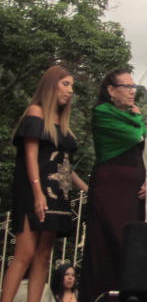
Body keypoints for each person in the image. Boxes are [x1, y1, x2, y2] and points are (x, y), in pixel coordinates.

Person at [0, 66, 87, 302]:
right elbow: (30, 156)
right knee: (24, 254)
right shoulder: (36, 112)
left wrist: (88, 189)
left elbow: (66, 166)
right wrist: (38, 193)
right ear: (51, 85)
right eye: (65, 84)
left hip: (58, 194)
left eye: (72, 86)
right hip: (32, 191)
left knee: (43, 256)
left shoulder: (64, 124)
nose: (70, 91)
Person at [78, 69, 147, 302]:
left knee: (131, 242)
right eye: (126, 87)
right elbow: (135, 136)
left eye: (133, 86)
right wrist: (138, 119)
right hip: (111, 189)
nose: (131, 92)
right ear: (110, 90)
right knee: (108, 242)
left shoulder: (128, 114)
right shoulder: (102, 112)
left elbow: (144, 142)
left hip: (132, 191)